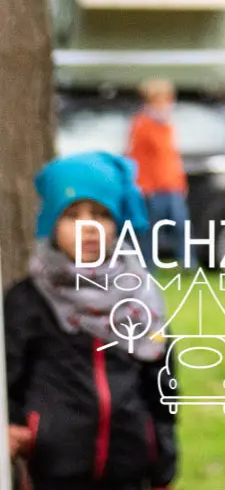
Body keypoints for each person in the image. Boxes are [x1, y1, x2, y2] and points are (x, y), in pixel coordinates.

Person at [5, 152, 175, 490]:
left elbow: (162, 387)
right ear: (52, 224)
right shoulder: (28, 300)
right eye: (72, 216)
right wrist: (14, 427)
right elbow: (8, 380)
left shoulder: (141, 299)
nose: (89, 227)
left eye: (101, 214)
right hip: (52, 471)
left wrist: (164, 466)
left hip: (128, 469)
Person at [127, 80, 190, 268]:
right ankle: (148, 266)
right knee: (151, 230)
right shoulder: (142, 125)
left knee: (181, 226)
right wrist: (143, 186)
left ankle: (187, 263)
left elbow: (172, 158)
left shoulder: (168, 125)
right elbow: (137, 159)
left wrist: (180, 183)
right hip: (152, 189)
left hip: (173, 187)